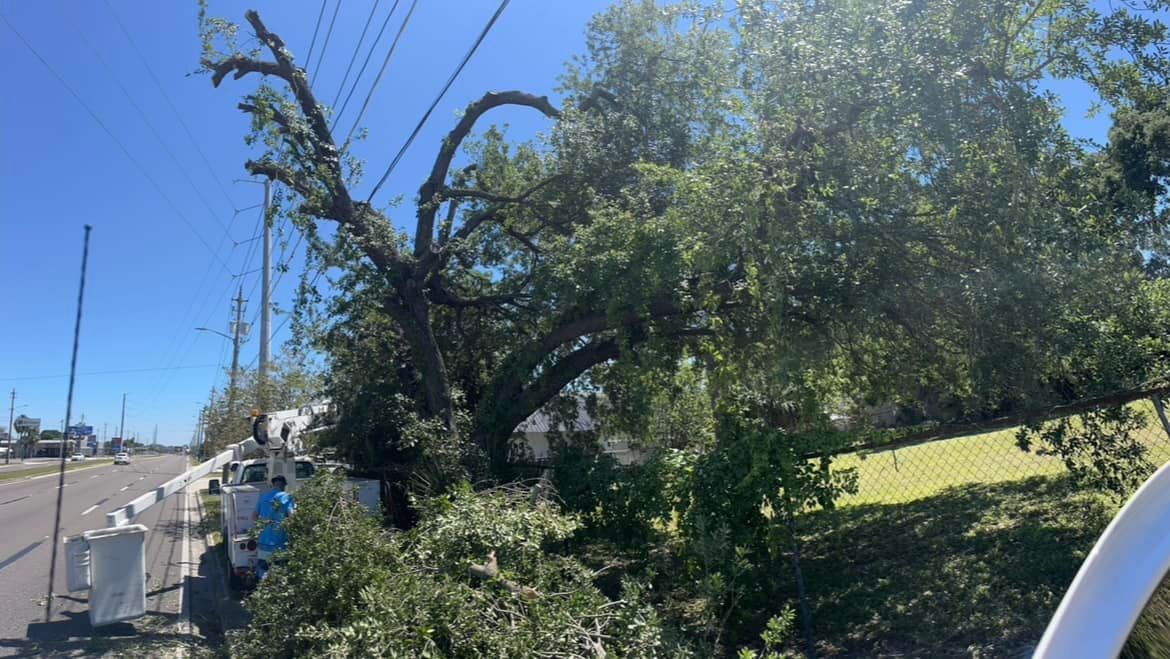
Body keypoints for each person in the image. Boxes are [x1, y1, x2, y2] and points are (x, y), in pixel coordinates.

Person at [253, 474, 294, 580]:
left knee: (263, 570)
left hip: (263, 542)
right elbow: (292, 517)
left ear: (273, 485)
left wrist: (261, 529)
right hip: (280, 543)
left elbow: (254, 516)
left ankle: (261, 591)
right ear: (283, 485)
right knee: (280, 572)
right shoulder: (286, 497)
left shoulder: (263, 497)